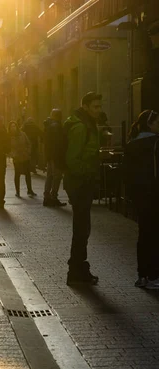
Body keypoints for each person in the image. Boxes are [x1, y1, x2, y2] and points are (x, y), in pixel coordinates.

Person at [63, 92, 102, 286]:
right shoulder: (80, 127)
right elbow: (72, 159)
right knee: (81, 229)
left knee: (82, 228)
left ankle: (78, 267)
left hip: (81, 182)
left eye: (99, 106)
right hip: (80, 183)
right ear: (85, 107)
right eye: (95, 107)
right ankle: (76, 271)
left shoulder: (87, 124)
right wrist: (88, 172)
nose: (98, 110)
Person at [124, 110, 159, 289]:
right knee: (155, 235)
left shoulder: (131, 144)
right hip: (154, 195)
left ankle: (142, 275)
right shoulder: (155, 143)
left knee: (144, 234)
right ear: (150, 124)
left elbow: (127, 174)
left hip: (139, 196)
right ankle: (154, 275)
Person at [43, 109, 67, 207]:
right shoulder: (56, 126)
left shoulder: (48, 125)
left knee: (50, 176)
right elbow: (59, 143)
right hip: (56, 156)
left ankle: (47, 197)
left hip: (50, 155)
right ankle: (53, 197)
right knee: (57, 176)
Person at [8, 121, 36, 198]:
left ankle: (29, 190)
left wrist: (28, 152)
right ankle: (17, 191)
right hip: (17, 158)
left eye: (14, 126)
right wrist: (13, 154)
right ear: (9, 128)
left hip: (25, 156)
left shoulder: (22, 134)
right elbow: (7, 148)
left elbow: (28, 143)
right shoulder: (9, 137)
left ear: (16, 127)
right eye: (11, 126)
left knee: (27, 174)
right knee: (17, 174)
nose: (13, 128)